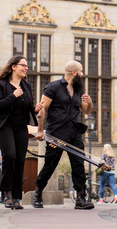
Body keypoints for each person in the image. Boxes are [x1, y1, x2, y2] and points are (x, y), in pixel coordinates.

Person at [33, 60, 94, 210]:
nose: (82, 74)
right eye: (81, 71)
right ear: (74, 73)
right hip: (56, 133)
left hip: (74, 132)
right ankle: (38, 192)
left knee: (78, 164)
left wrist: (90, 103)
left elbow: (86, 111)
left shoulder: (79, 89)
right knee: (50, 165)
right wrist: (40, 130)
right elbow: (42, 109)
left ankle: (81, 197)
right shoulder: (53, 87)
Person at [0, 55, 43, 210]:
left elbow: (28, 107)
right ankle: (6, 193)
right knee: (10, 155)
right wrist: (13, 96)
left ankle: (16, 197)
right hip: (3, 126)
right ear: (13, 67)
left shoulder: (26, 86)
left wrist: (35, 109)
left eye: (27, 66)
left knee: (20, 160)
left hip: (20, 127)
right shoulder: (1, 85)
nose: (26, 68)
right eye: (23, 65)